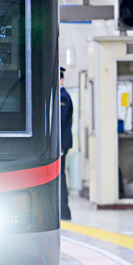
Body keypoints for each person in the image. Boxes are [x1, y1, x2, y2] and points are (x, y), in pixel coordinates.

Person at [59, 68, 73, 221]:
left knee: (61, 176)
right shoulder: (60, 96)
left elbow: (61, 122)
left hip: (62, 143)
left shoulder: (64, 97)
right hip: (61, 143)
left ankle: (65, 211)